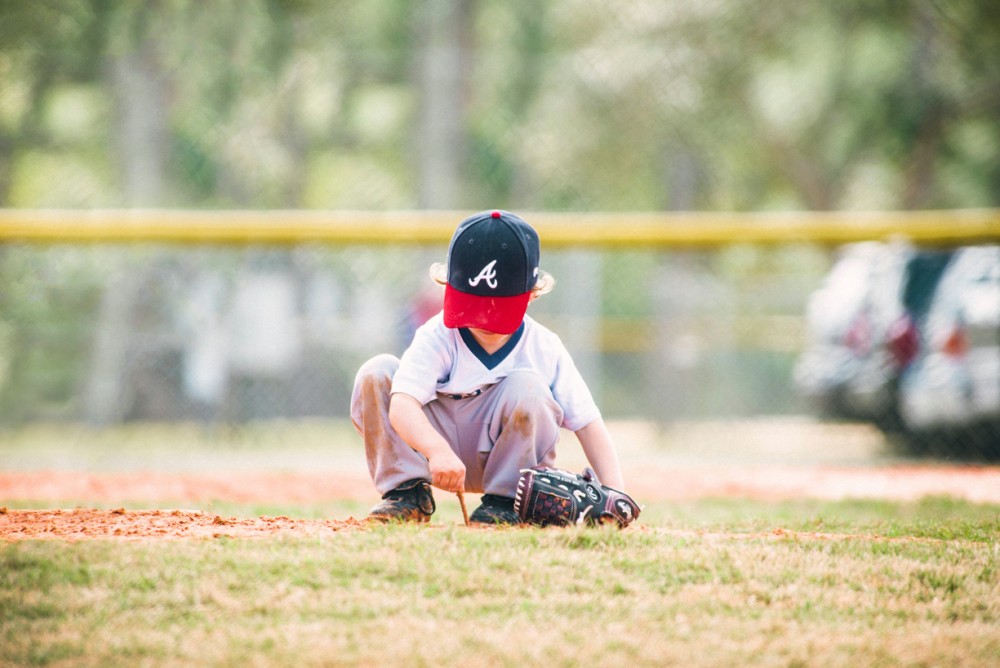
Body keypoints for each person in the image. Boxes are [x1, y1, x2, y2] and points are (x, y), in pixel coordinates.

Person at [350, 209, 625, 525]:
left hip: (509, 461)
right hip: (429, 453)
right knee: (377, 372)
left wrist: (616, 495)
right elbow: (402, 406)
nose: (483, 319)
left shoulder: (544, 347)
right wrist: (436, 450)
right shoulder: (438, 334)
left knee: (530, 387)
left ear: (532, 294)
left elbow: (588, 424)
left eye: (497, 310)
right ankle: (406, 495)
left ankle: (504, 504)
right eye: (473, 305)